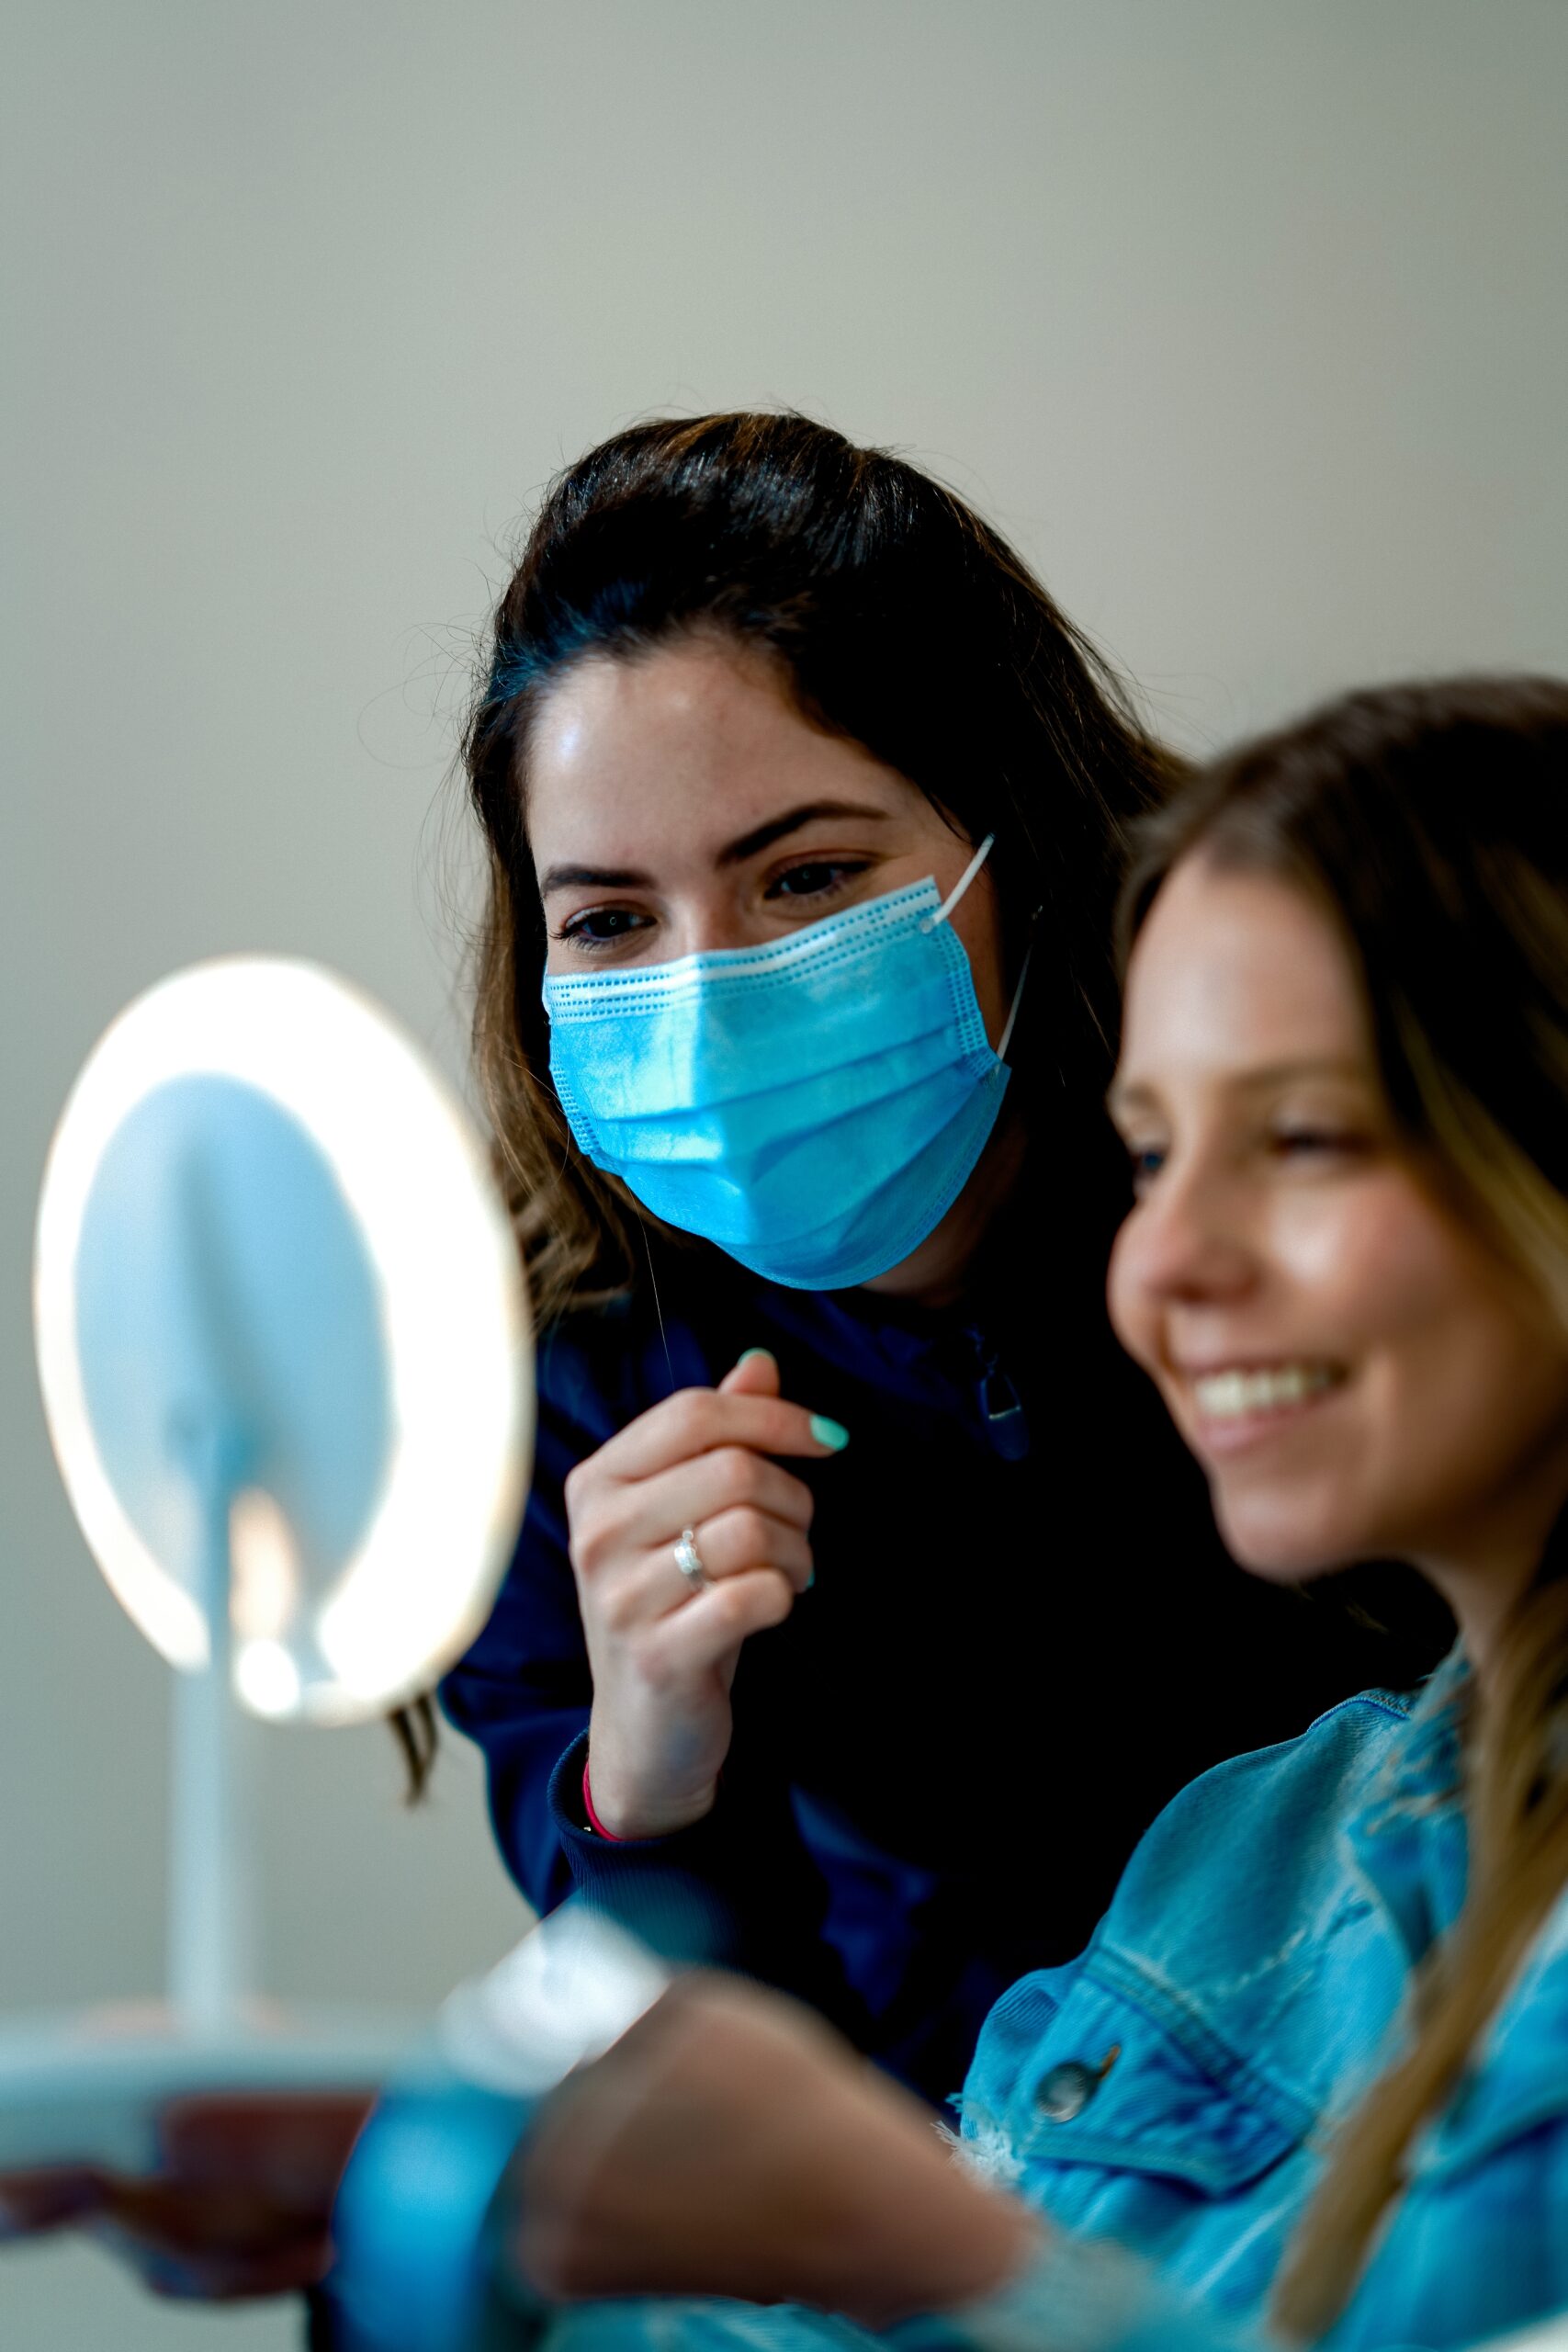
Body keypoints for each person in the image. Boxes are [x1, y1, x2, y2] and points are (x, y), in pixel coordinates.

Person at [493, 674, 1568, 2352]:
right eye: (1153, 1155)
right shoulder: (1260, 1843)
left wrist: (908, 2246)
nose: (1175, 1264)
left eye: (1299, 1136)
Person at [434, 411, 1436, 2104]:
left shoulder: (1328, 1146)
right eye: (609, 918)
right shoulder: (555, 1385)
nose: (707, 990)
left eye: (807, 877)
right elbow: (725, 2121)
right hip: (943, 2167)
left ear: (1011, 856)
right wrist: (652, 1776)